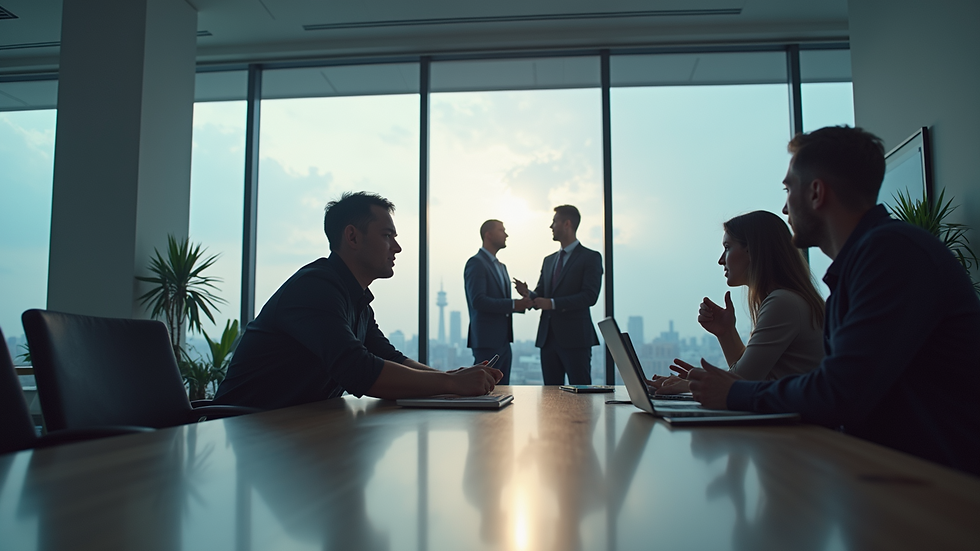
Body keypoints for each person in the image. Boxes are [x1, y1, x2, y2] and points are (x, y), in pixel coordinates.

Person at [679, 126, 980, 475]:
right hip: (892, 475)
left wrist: (733, 394)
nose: (784, 205)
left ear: (817, 193)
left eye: (789, 189)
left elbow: (839, 391)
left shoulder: (891, 254)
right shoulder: (865, 263)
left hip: (941, 490)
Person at [214, 192, 502, 410]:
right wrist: (451, 383)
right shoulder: (315, 288)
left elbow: (388, 358)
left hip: (290, 433)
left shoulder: (355, 299)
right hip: (244, 432)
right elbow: (360, 371)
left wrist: (450, 378)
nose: (397, 247)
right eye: (387, 236)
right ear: (352, 236)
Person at [651, 210, 825, 395]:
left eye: (727, 247)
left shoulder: (783, 302)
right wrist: (726, 333)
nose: (720, 260)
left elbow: (740, 383)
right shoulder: (787, 300)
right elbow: (750, 375)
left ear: (752, 250)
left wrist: (692, 384)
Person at [514, 205, 602, 385]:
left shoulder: (590, 257)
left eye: (554, 222)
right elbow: (541, 293)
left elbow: (589, 296)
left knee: (581, 395)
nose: (551, 226)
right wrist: (528, 294)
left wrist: (552, 303)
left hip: (576, 339)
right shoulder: (549, 260)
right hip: (548, 339)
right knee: (551, 397)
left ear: (567, 224)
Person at [464, 220, 533, 385]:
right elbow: (478, 301)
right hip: (486, 340)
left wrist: (522, 301)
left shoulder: (502, 267)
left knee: (503, 390)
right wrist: (514, 305)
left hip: (503, 341)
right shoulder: (476, 263)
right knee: (483, 390)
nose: (506, 234)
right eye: (501, 230)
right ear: (488, 235)